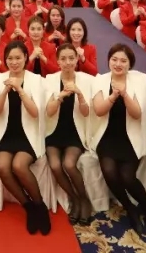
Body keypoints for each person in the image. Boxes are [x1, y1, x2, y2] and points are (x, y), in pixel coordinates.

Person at [91, 43, 146, 237]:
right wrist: (113, 96)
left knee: (128, 177)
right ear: (108, 61)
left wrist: (125, 94)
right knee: (110, 172)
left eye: (123, 61)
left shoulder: (137, 82)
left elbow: (137, 114)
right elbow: (99, 110)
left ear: (130, 64)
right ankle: (130, 208)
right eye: (114, 59)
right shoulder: (100, 81)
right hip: (107, 136)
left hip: (131, 136)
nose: (118, 64)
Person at [0, 40, 48, 235]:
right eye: (10, 59)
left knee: (18, 165)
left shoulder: (36, 80)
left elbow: (35, 113)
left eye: (18, 58)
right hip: (6, 133)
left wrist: (20, 90)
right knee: (2, 166)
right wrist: (5, 91)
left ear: (25, 58)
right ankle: (28, 206)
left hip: (27, 134)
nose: (14, 62)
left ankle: (40, 206)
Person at [43, 44, 92, 225]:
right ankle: (74, 198)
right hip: (54, 131)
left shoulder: (86, 80)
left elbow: (86, 113)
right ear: (57, 61)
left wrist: (79, 95)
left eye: (71, 58)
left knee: (69, 165)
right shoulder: (50, 80)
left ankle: (84, 200)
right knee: (55, 166)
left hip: (75, 132)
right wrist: (60, 96)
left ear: (77, 59)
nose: (68, 62)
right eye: (63, 59)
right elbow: (49, 112)